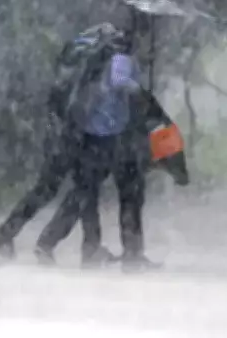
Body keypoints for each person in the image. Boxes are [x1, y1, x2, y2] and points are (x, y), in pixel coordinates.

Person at [0, 25, 122, 263]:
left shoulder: (75, 56)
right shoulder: (96, 60)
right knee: (83, 191)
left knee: (57, 190)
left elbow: (58, 98)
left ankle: (8, 233)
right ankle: (54, 244)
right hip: (78, 136)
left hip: (62, 134)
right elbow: (89, 101)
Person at [33, 30, 160, 271]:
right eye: (147, 45)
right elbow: (120, 80)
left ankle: (62, 244)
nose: (150, 51)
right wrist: (141, 91)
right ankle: (129, 255)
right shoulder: (123, 58)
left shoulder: (118, 56)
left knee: (88, 194)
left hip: (102, 135)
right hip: (105, 137)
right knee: (119, 194)